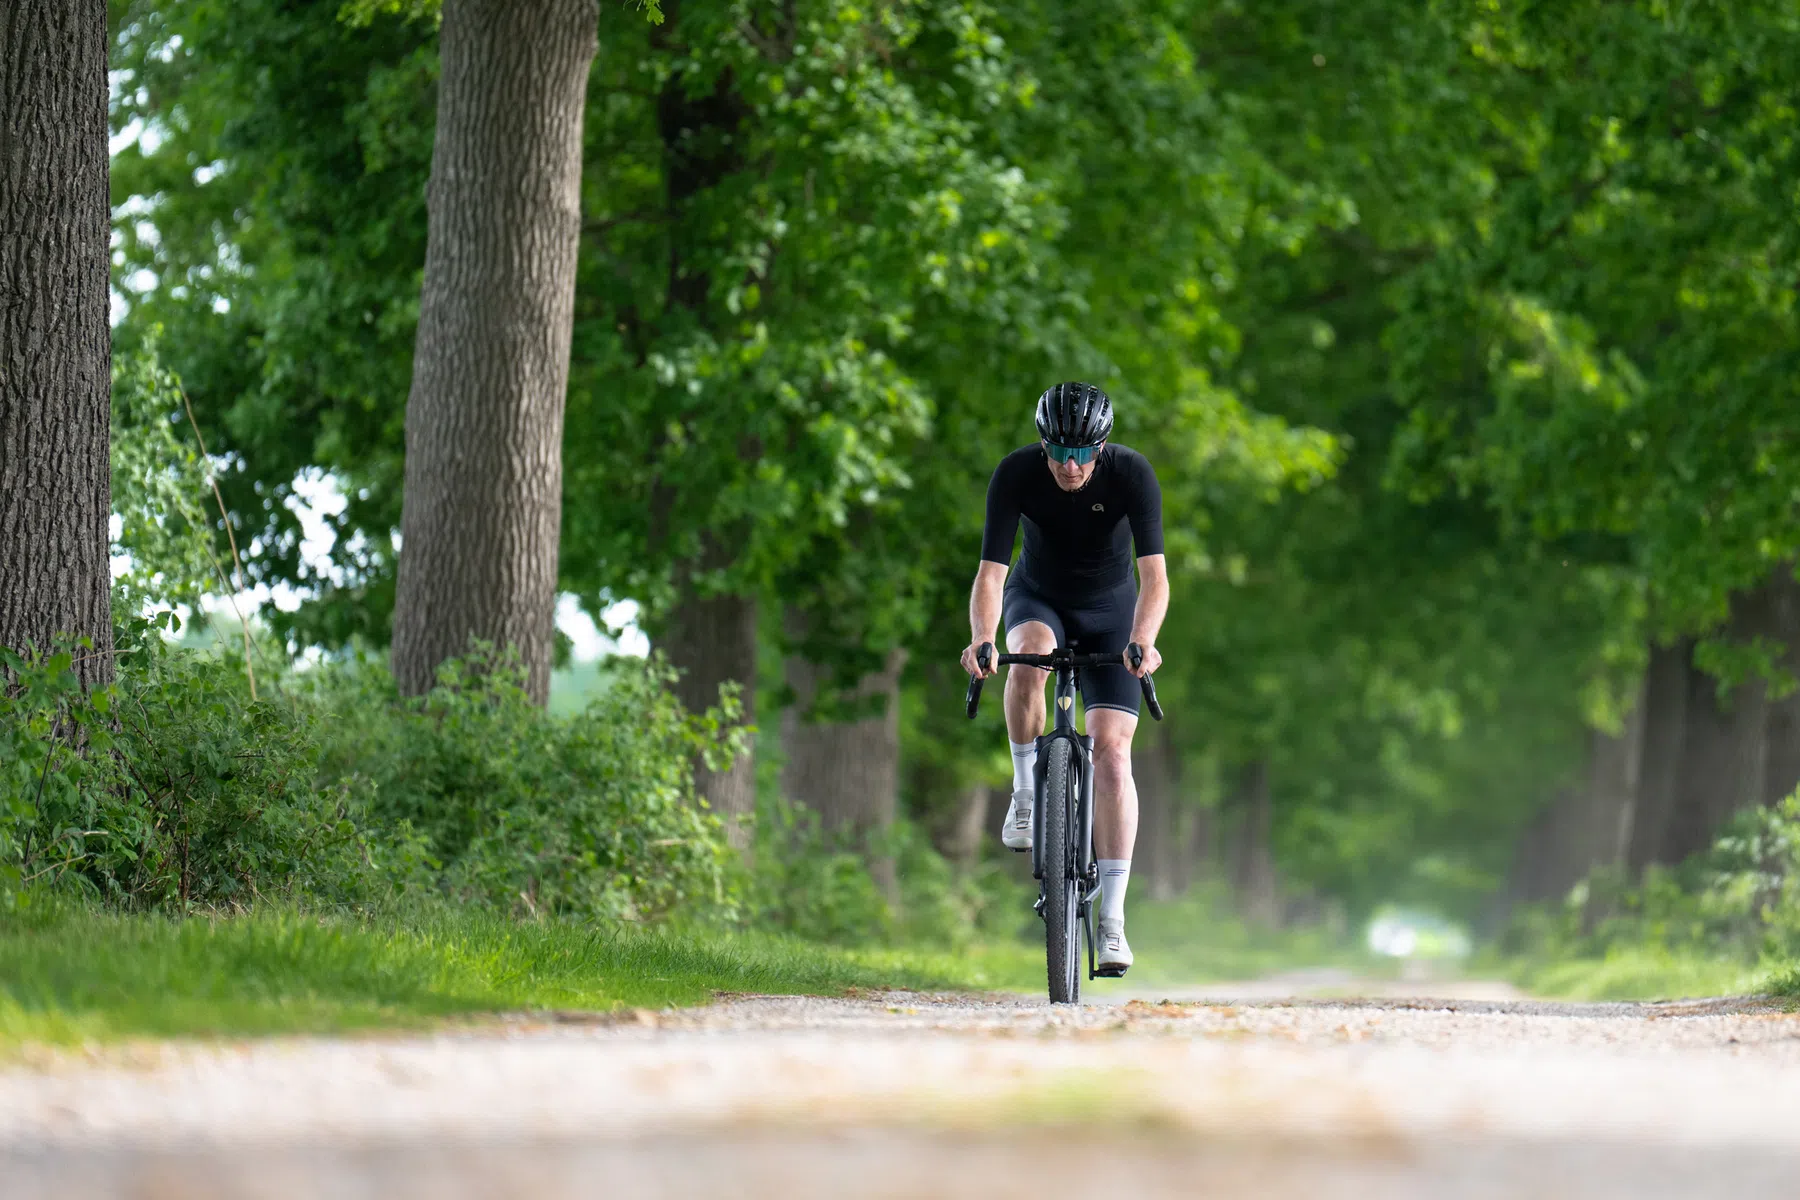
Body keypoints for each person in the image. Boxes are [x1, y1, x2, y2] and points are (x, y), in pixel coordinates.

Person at [960, 381, 1168, 976]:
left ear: (1101, 449)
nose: (1069, 467)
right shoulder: (1016, 473)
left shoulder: (1131, 474)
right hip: (1039, 596)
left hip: (1112, 612)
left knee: (1113, 756)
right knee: (1025, 653)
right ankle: (1026, 794)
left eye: (1082, 455)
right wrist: (982, 637)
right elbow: (991, 574)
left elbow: (1154, 578)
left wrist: (1145, 641)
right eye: (1058, 452)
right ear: (1042, 443)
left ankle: (1112, 924)